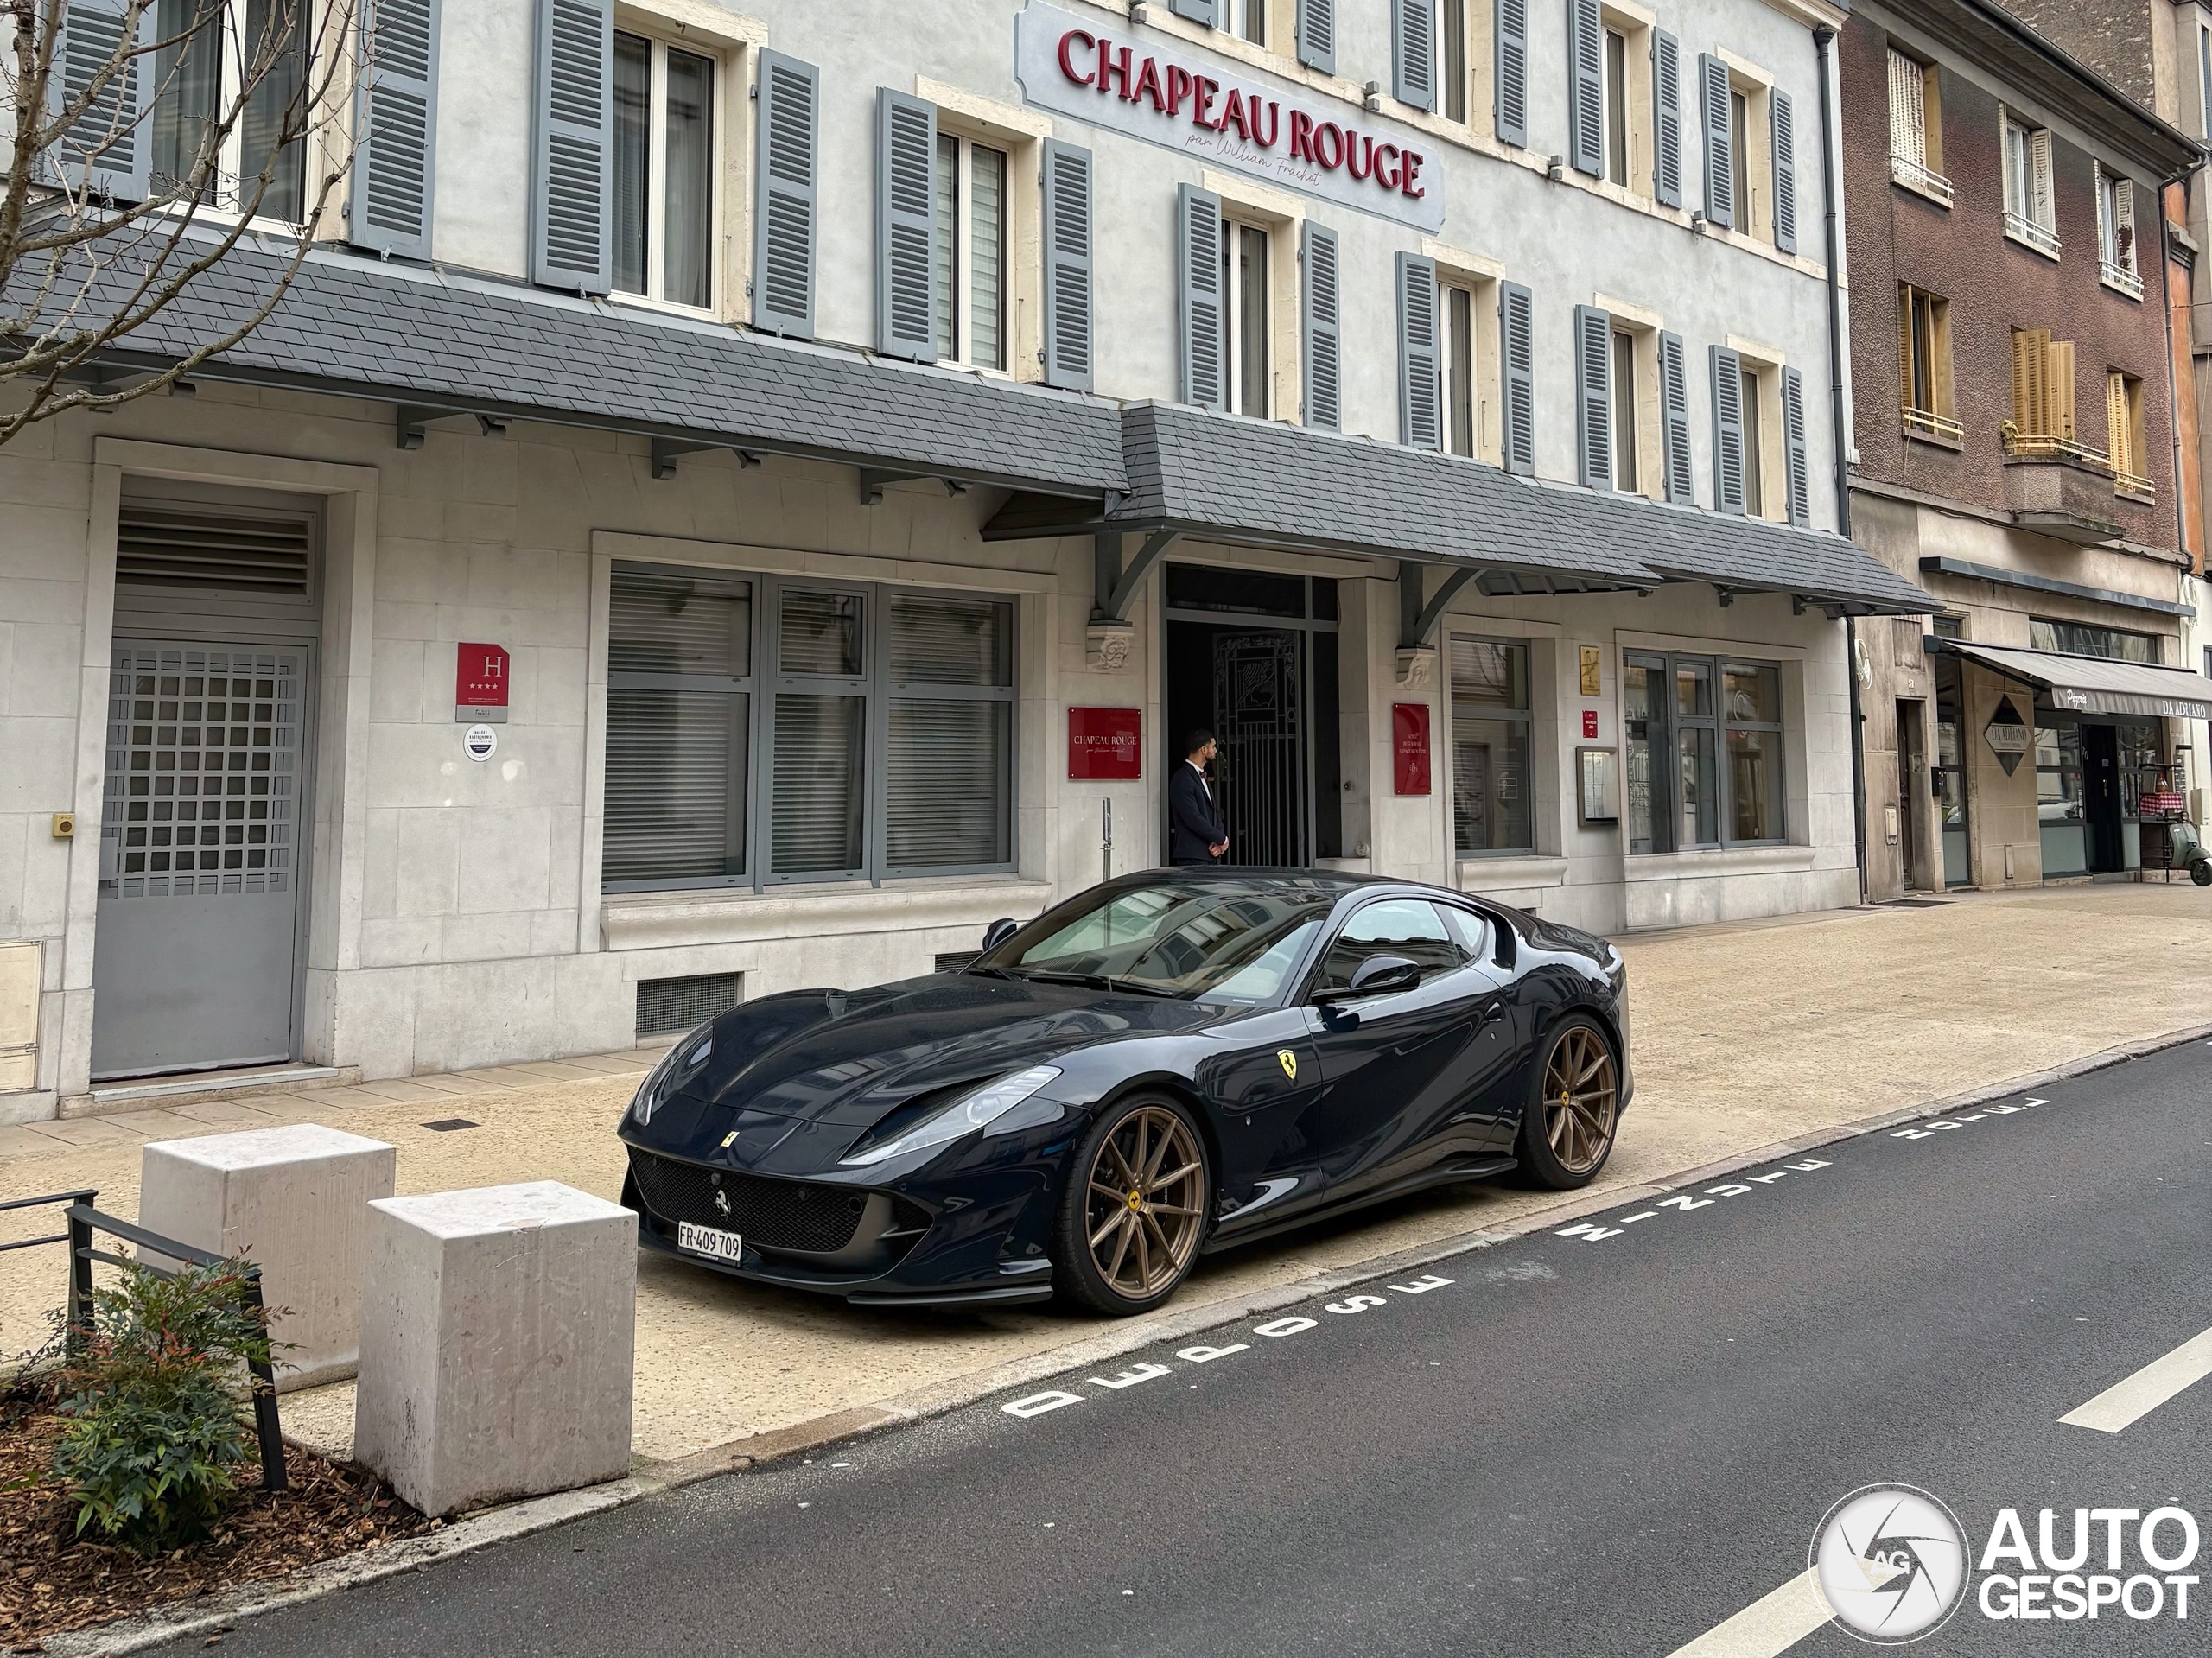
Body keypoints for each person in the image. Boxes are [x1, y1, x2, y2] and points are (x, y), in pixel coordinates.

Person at [1169, 729, 1229, 866]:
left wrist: (1220, 840)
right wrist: (1221, 839)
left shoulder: (1201, 775)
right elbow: (1193, 817)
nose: (1215, 750)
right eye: (1212, 747)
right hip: (1192, 855)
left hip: (1210, 854)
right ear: (1203, 750)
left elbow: (1213, 811)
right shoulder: (1182, 778)